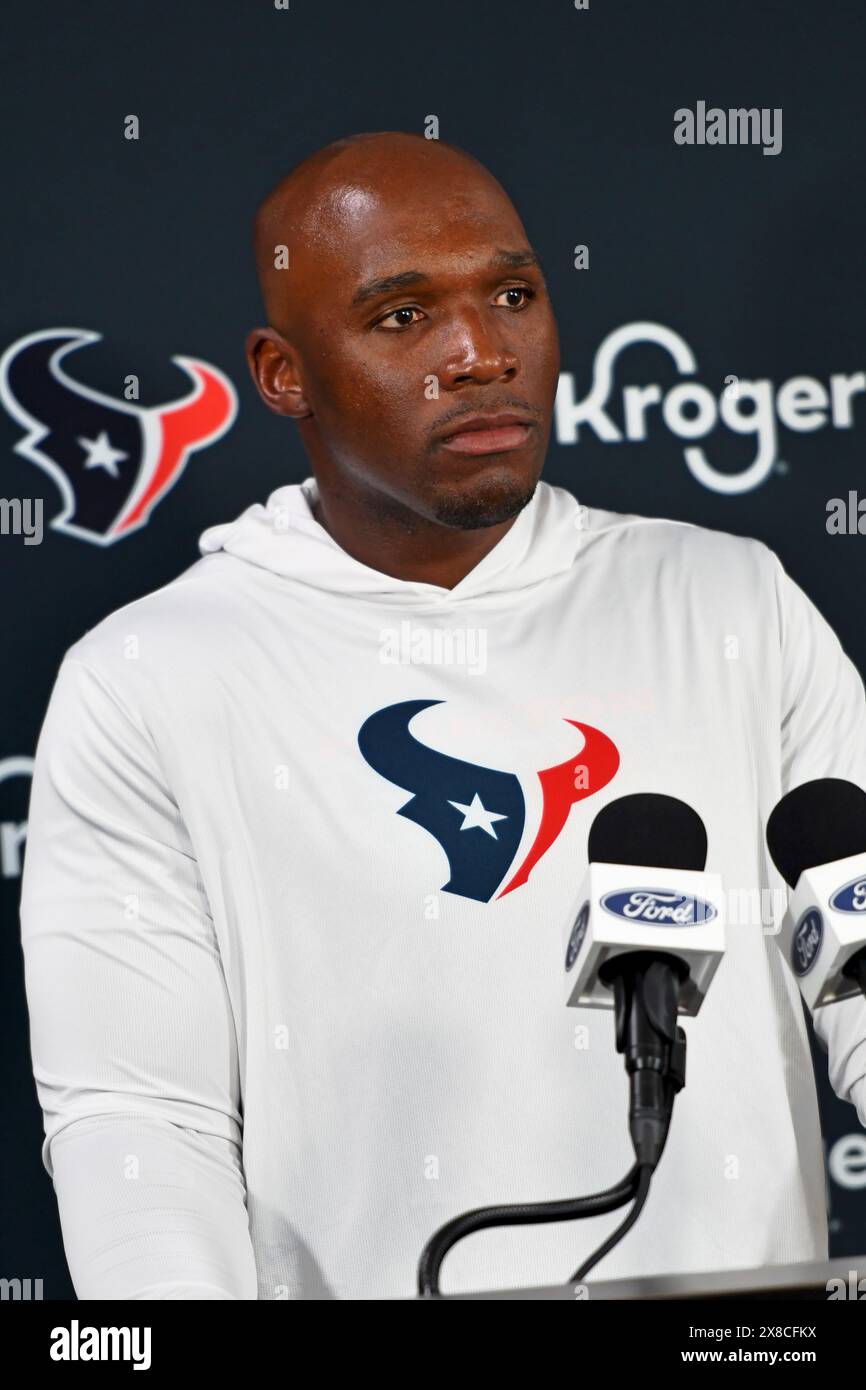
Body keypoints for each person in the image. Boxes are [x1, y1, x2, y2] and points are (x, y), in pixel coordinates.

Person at [20, 130, 866, 1300]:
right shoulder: (148, 677)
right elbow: (141, 1124)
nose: (479, 354)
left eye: (511, 296)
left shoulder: (732, 602)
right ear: (282, 373)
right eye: (403, 315)